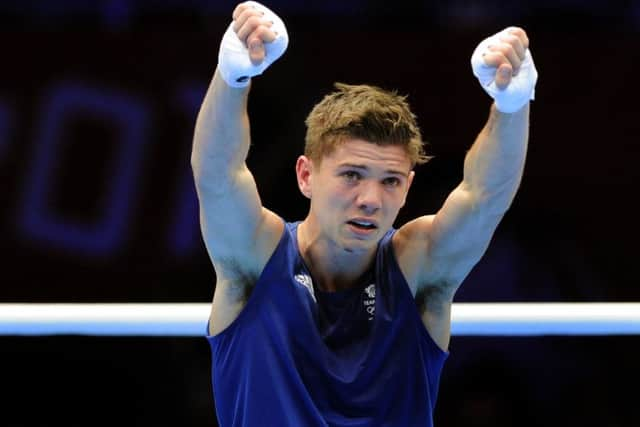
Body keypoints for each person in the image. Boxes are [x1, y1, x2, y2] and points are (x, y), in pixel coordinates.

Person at [191, 2, 538, 426]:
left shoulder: (418, 270)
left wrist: (512, 104)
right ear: (305, 175)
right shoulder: (255, 259)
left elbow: (484, 196)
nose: (371, 198)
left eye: (390, 180)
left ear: (408, 188)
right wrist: (233, 77)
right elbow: (218, 176)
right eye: (352, 175)